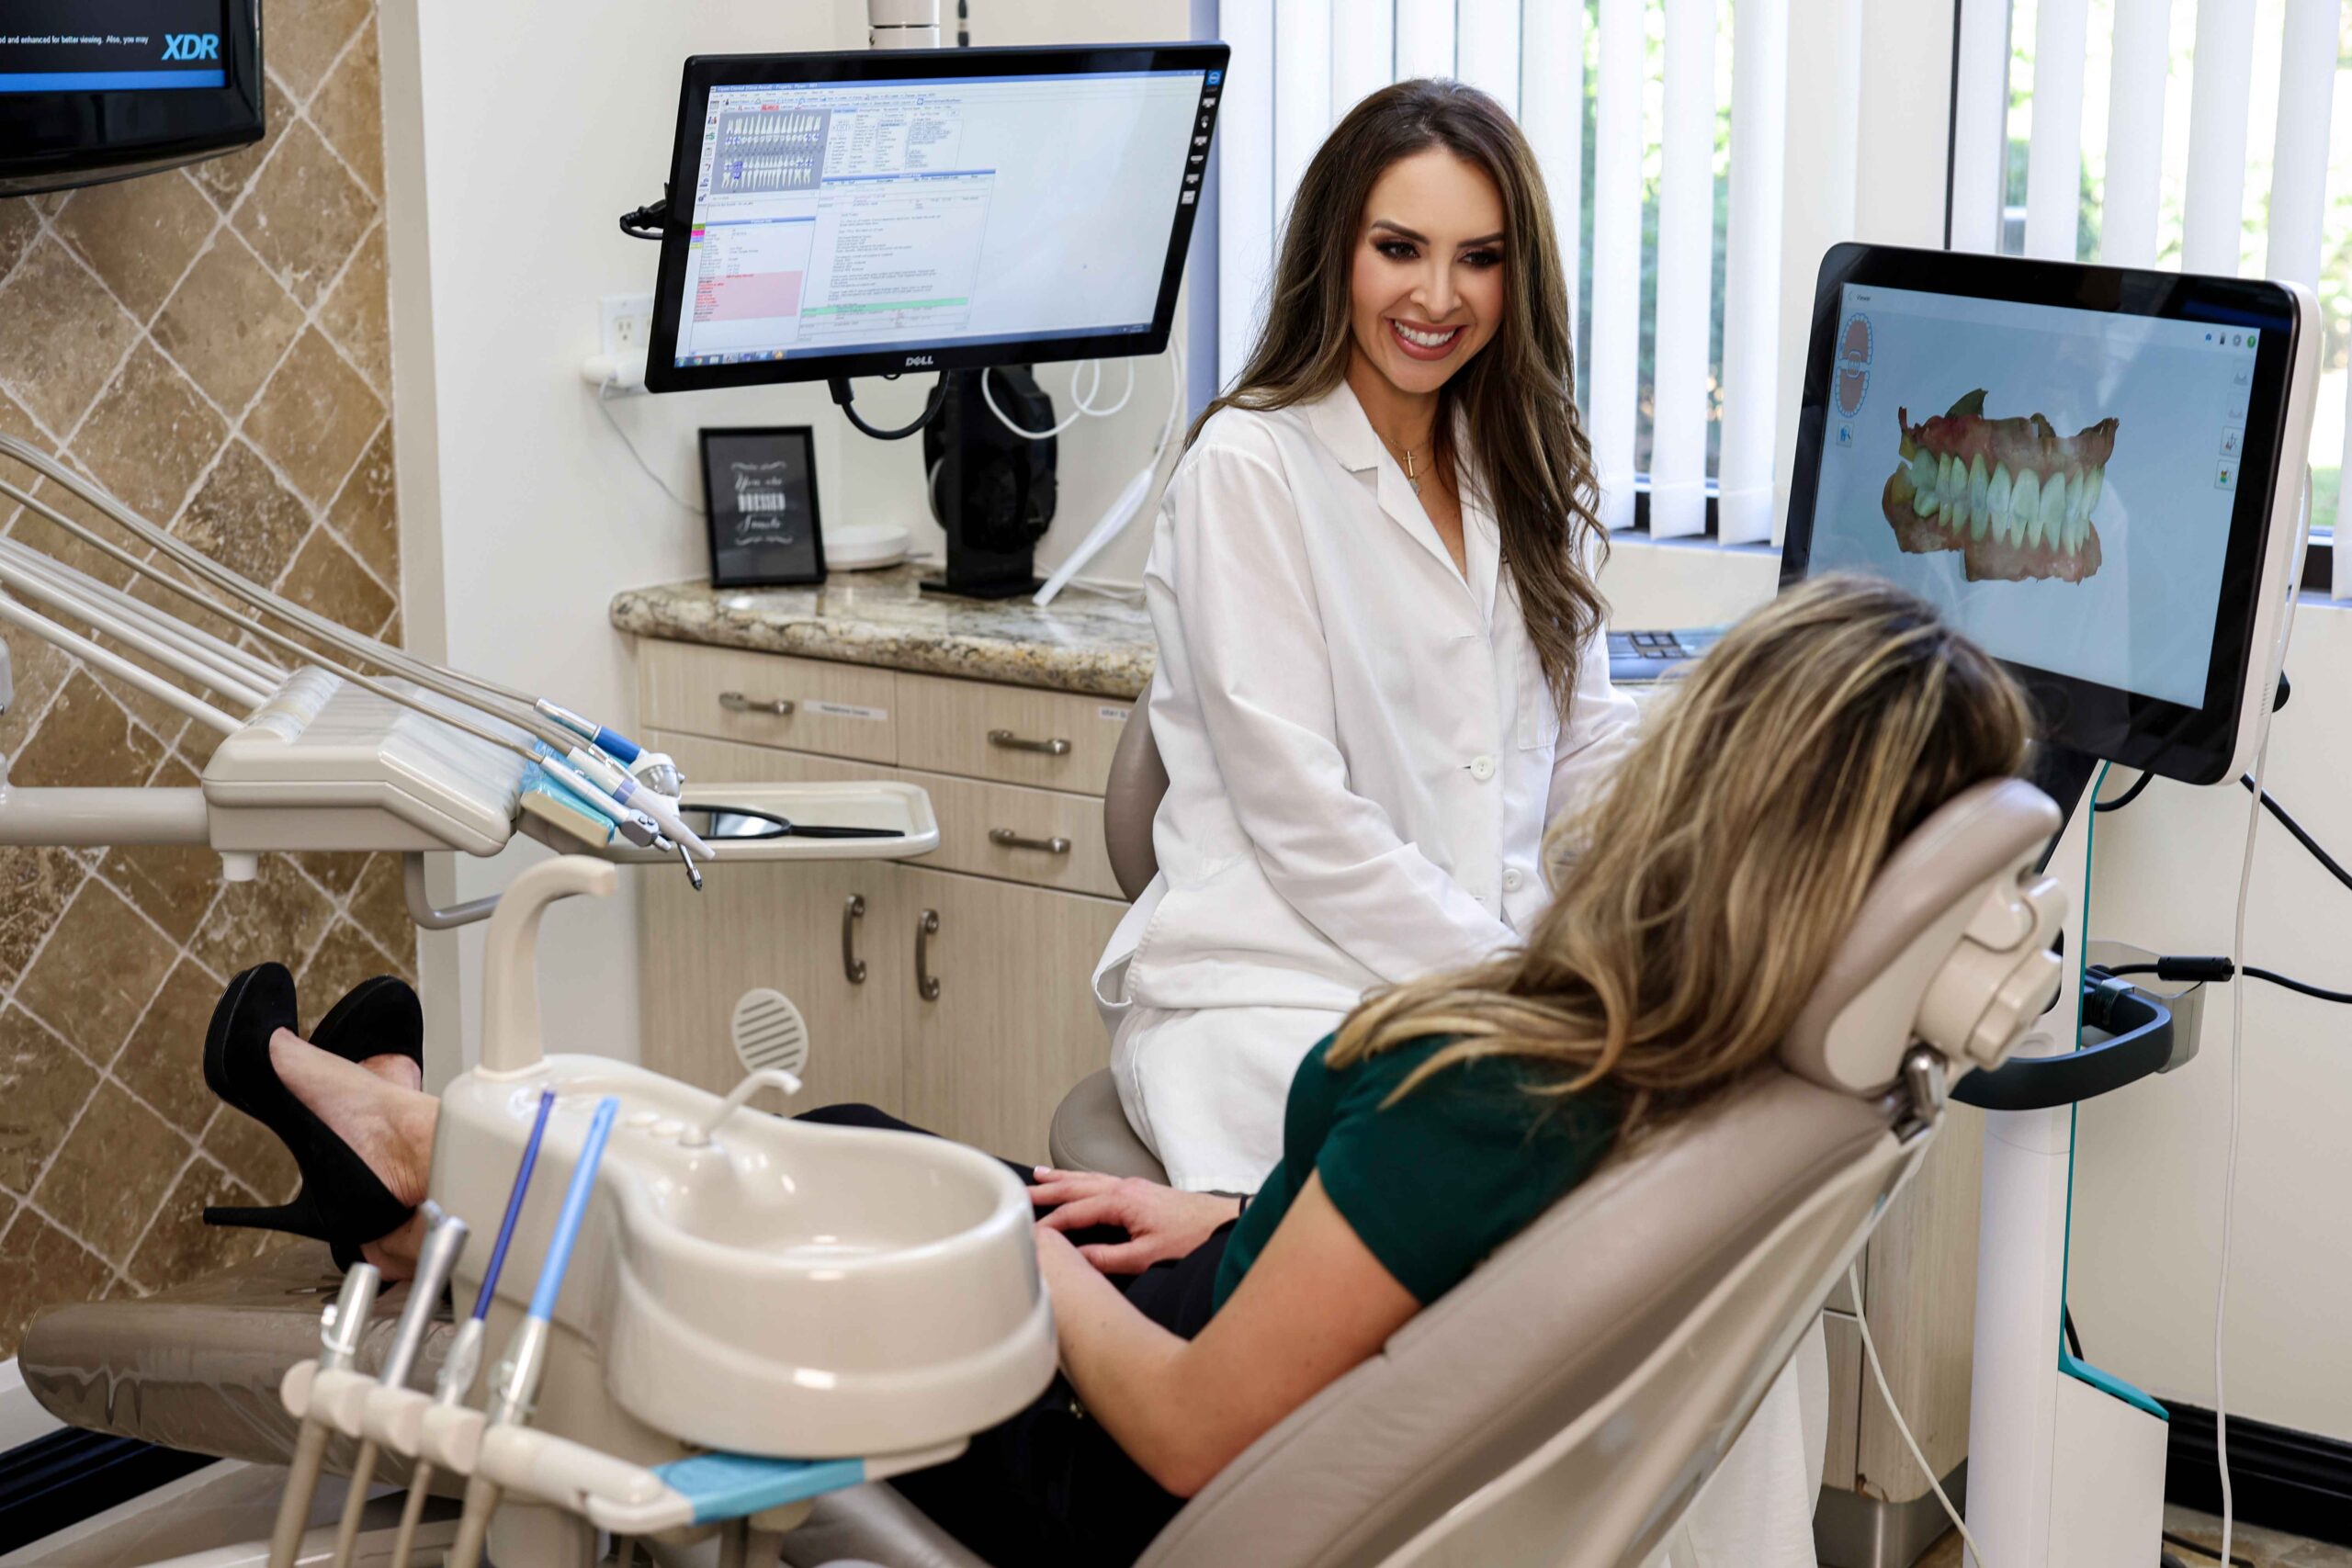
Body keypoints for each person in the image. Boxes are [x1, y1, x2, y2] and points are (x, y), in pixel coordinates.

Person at [204, 576, 2034, 1568]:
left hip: (1132, 1470)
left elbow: (1191, 1432)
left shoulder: (1499, 1081)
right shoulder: (1715, 1090)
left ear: (1707, 796)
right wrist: (1242, 1218)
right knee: (836, 1144)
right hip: (1230, 1341)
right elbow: (1455, 1283)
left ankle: (405, 1166)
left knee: (736, 1223)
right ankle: (411, 1169)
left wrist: (1021, 1261)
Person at [1097, 78, 1639, 1198]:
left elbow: (1584, 744)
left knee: (1677, 1147)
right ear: (1335, 251)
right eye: (1399, 249)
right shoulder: (1249, 467)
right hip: (1276, 986)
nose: (1438, 296)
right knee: (1520, 1172)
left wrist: (1667, 893)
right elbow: (1302, 817)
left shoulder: (1516, 461)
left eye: (1479, 259)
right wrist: (1514, 982)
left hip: (1484, 976)